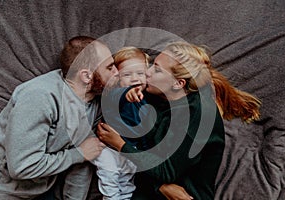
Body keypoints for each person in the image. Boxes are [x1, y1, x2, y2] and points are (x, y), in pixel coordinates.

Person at [97, 42, 261, 200]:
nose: (147, 72)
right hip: (148, 185)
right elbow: (143, 146)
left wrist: (120, 145)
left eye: (157, 70)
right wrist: (127, 93)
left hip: (184, 195)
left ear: (178, 83)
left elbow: (165, 171)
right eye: (153, 64)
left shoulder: (198, 115)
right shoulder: (156, 95)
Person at [0, 36, 118, 200]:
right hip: (1, 191)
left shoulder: (95, 101)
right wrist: (77, 154)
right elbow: (22, 167)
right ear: (86, 76)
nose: (117, 72)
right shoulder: (39, 97)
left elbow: (86, 156)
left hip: (43, 190)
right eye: (110, 67)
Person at [93, 47, 150, 200]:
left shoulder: (147, 102)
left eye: (140, 73)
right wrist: (128, 93)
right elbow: (119, 96)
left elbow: (144, 129)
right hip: (109, 151)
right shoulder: (114, 94)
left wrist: (143, 150)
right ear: (117, 78)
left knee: (127, 186)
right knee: (110, 183)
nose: (134, 78)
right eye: (127, 74)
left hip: (131, 150)